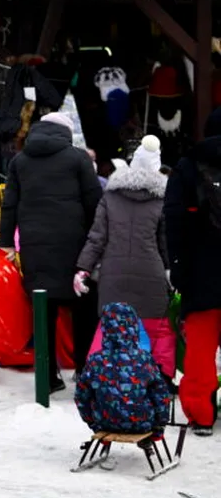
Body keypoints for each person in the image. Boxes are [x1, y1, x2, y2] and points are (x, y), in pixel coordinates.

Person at [0, 111, 102, 392]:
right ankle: (84, 370)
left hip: (35, 247)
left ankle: (47, 375)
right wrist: (99, 241)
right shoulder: (79, 158)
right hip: (76, 247)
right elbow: (95, 202)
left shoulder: (20, 161)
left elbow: (9, 204)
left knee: (44, 311)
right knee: (84, 308)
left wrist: (6, 242)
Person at [75, 135, 173, 382]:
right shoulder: (162, 200)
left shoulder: (110, 197)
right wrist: (172, 273)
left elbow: (96, 237)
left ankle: (101, 382)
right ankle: (157, 384)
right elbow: (166, 245)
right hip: (152, 276)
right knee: (156, 332)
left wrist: (83, 268)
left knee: (111, 329)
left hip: (112, 278)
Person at [164, 106, 221, 436]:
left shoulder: (187, 166)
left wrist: (177, 266)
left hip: (201, 272)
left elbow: (173, 218)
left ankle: (201, 414)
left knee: (199, 350)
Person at [75, 303, 172, 436]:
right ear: (134, 326)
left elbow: (81, 395)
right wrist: (160, 424)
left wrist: (91, 422)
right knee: (152, 388)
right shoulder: (143, 358)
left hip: (104, 422)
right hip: (142, 423)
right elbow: (161, 393)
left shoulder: (95, 360)